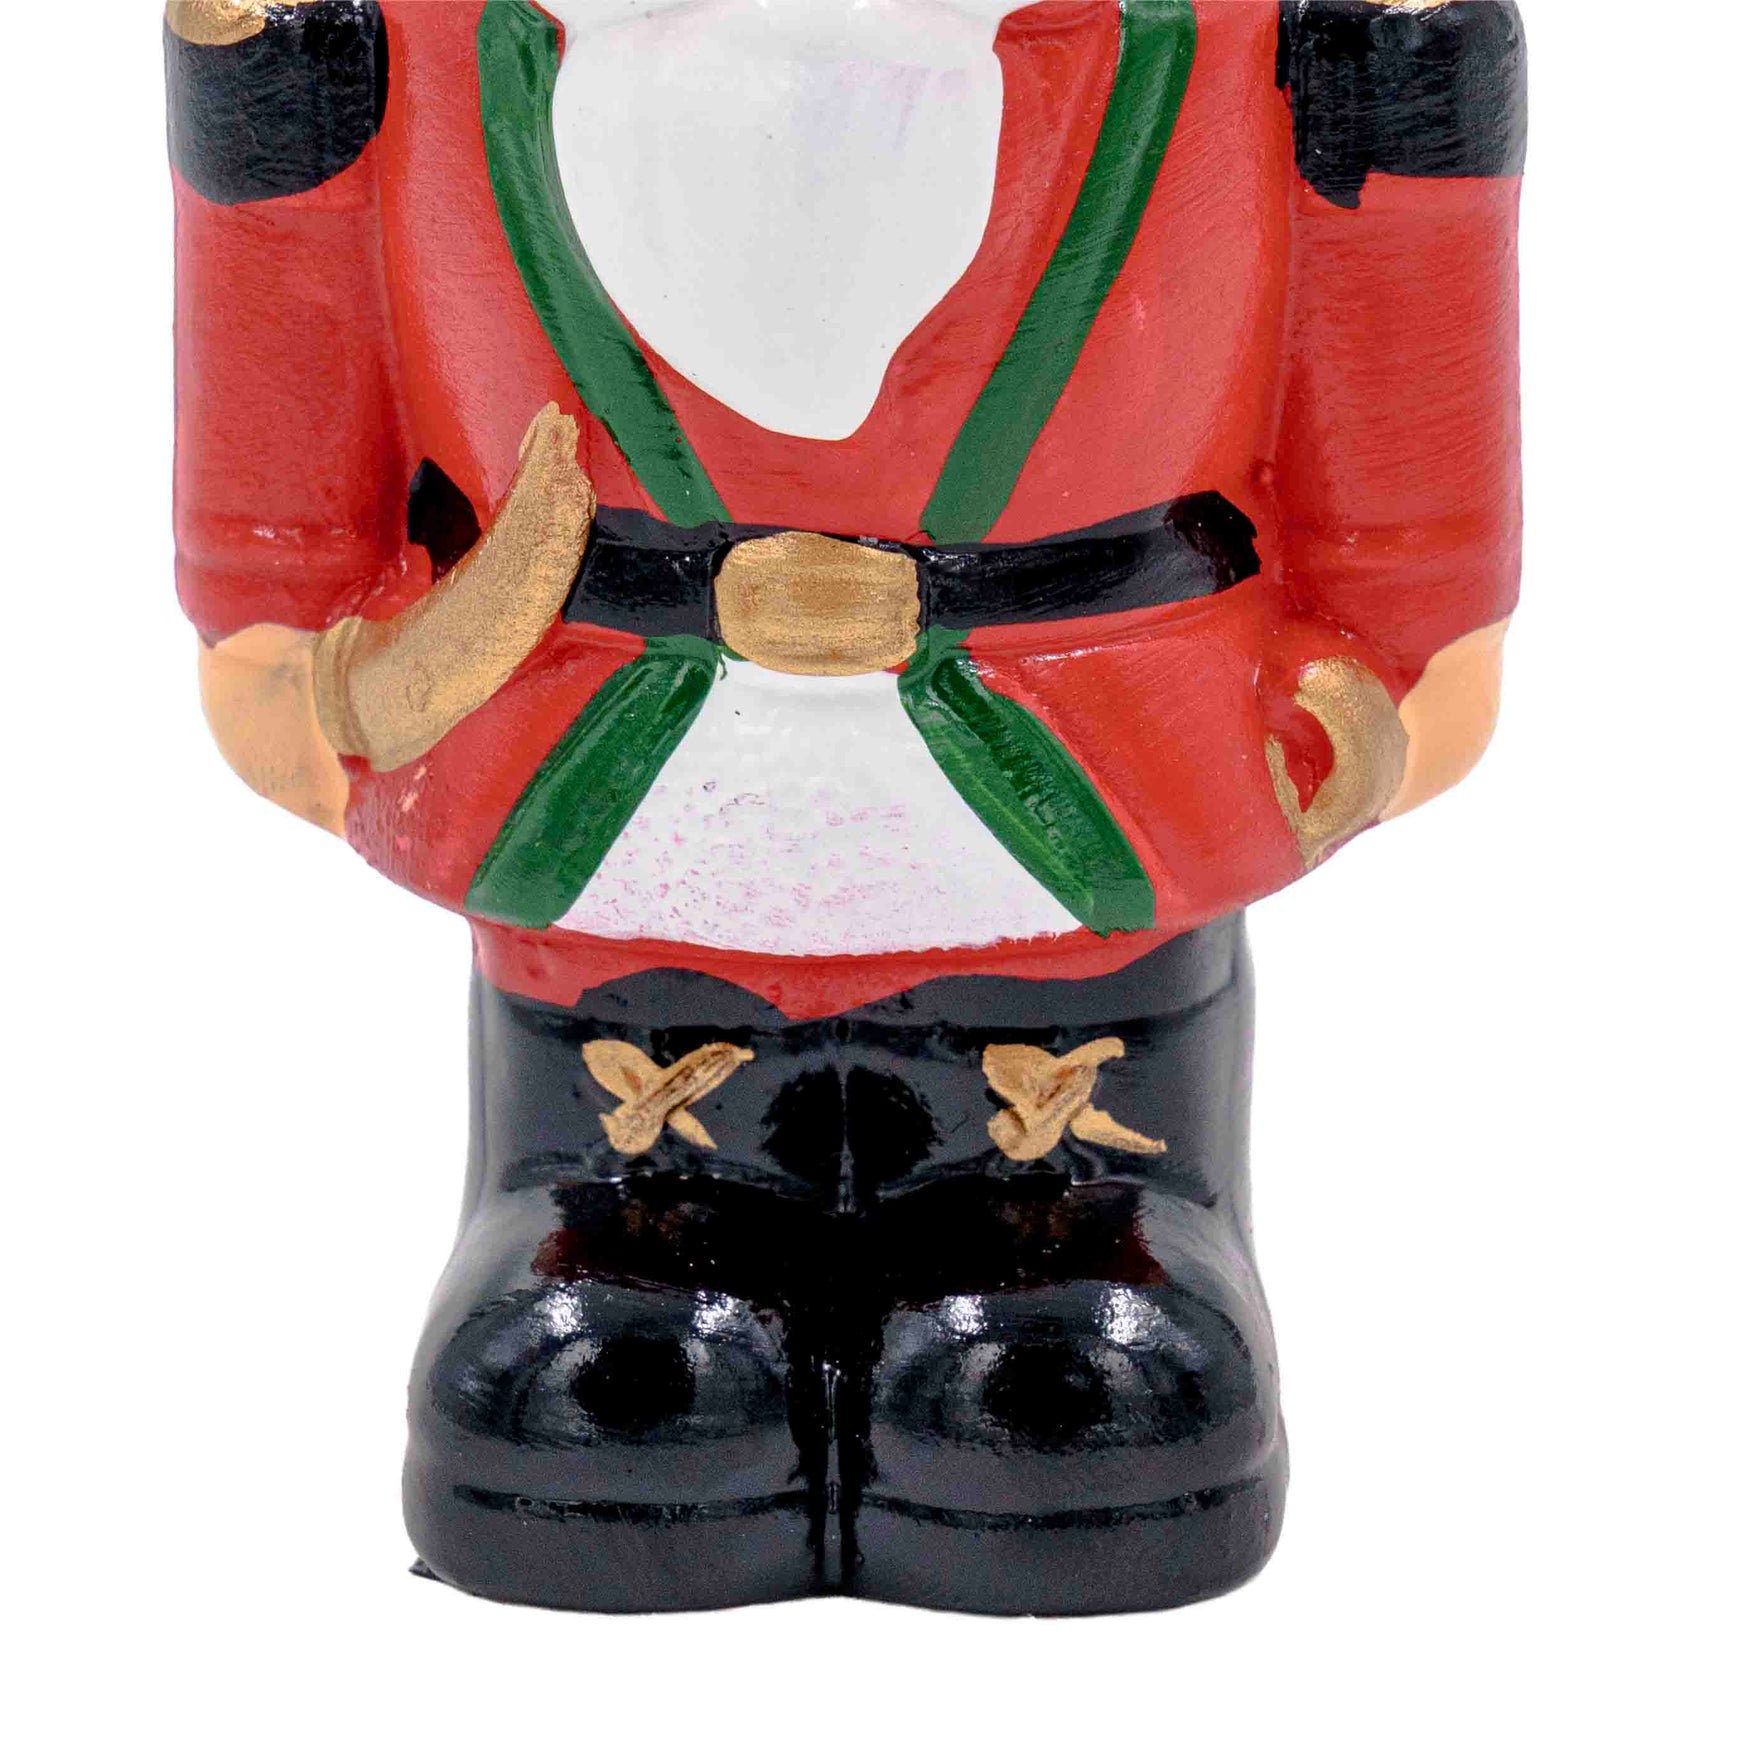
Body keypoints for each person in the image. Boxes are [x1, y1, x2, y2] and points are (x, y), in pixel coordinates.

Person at [169, 0, 1524, 1611]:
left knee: (1065, 1379)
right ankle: (621, 1221)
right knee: (609, 1373)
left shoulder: (1253, 45)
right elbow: (287, 325)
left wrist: (1407, 631)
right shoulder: (416, 43)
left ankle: (1073, 1221)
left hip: (1079, 771)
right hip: (603, 777)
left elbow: (1395, 324)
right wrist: (286, 628)